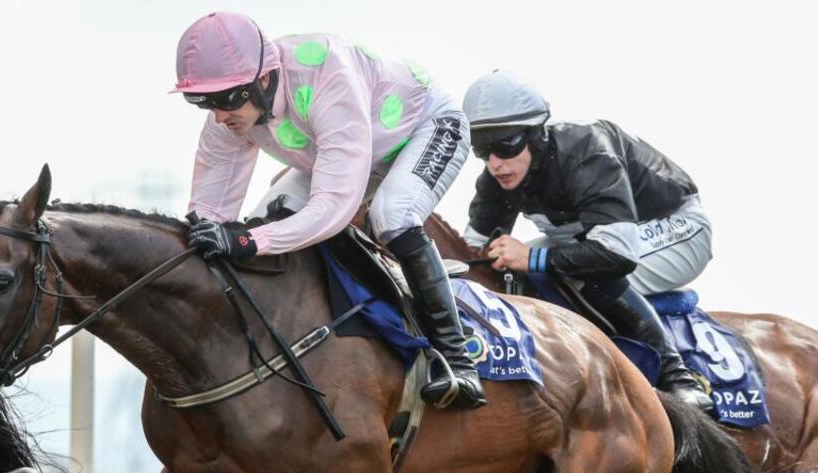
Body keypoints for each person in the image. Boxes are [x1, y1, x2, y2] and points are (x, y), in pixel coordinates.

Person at [172, 12, 484, 409]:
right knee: (269, 215)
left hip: (426, 128)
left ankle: (458, 360)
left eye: (226, 99)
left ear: (263, 80)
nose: (218, 114)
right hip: (347, 151)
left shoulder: (325, 75)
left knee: (392, 215)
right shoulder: (232, 111)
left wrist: (247, 241)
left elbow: (333, 207)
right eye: (202, 102)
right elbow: (208, 216)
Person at [461, 69, 715, 415]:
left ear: (535, 135)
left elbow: (616, 254)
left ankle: (679, 379)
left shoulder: (586, 149)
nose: (495, 163)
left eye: (506, 144)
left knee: (581, 272)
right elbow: (469, 255)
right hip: (597, 237)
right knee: (506, 267)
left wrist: (531, 258)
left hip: (675, 227)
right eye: (483, 149)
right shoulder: (498, 175)